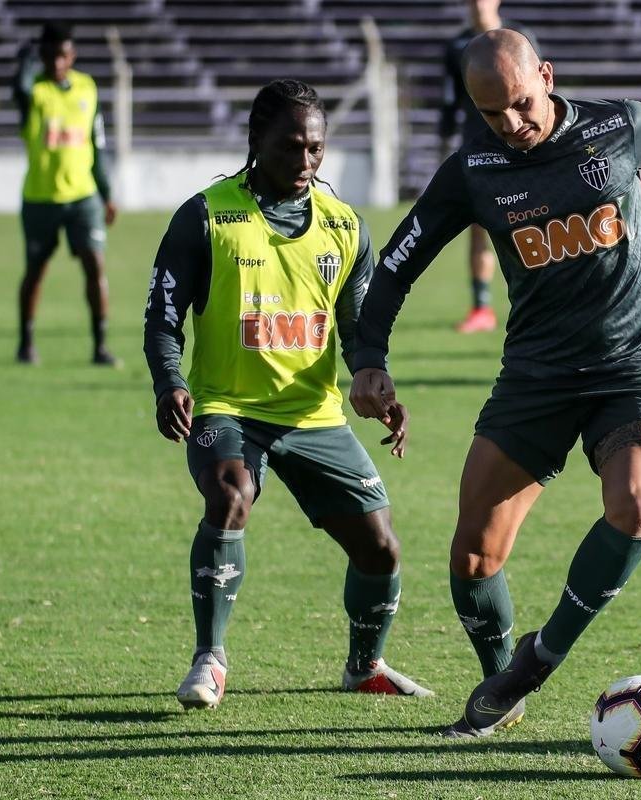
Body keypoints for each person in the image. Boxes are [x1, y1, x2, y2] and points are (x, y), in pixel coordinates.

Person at [351, 30, 641, 737]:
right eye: (491, 113)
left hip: (634, 364)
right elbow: (395, 266)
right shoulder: (473, 170)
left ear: (546, 76)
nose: (511, 123)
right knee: (473, 557)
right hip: (536, 377)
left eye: (520, 103)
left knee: (636, 504)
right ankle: (501, 690)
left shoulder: (621, 125)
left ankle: (538, 658)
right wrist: (369, 358)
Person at [143, 79, 433, 709]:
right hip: (228, 407)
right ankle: (210, 659)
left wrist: (375, 379)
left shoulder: (344, 226)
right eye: (291, 146)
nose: (306, 160)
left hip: (312, 414)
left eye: (316, 148)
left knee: (380, 547)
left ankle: (365, 665)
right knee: (231, 494)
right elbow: (163, 317)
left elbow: (359, 331)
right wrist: (170, 381)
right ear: (257, 140)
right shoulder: (206, 216)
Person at [13, 22, 118, 365]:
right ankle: (26, 343)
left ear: (72, 55)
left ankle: (100, 346)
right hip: (40, 198)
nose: (57, 62)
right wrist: (25, 64)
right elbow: (19, 91)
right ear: (42, 56)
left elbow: (97, 145)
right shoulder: (34, 91)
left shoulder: (87, 88)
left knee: (95, 265)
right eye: (49, 55)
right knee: (36, 271)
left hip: (83, 196)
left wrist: (106, 192)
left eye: (63, 55)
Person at [439, 1, 538, 333]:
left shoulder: (520, 37)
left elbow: (539, 91)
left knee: (533, 220)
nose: (477, 4)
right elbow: (450, 99)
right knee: (479, 227)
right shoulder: (457, 46)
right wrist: (445, 140)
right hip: (479, 148)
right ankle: (481, 308)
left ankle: (543, 301)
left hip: (521, 144)